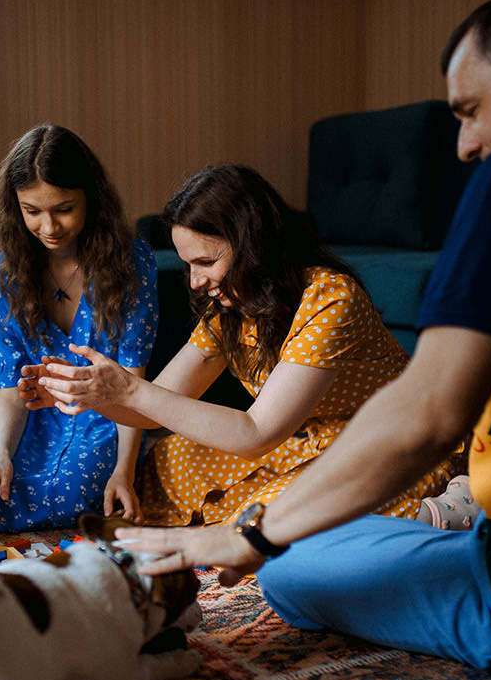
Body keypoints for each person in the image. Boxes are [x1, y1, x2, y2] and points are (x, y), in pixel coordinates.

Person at [110, 0, 491, 680]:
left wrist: (247, 538)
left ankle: (471, 545)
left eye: (469, 110)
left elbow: (428, 414)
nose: (464, 145)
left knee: (288, 573)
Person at [36, 164, 462, 527]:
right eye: (188, 265)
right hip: (300, 439)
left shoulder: (331, 297)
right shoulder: (232, 306)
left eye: (206, 262)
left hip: (380, 442)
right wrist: (86, 391)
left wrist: (129, 388)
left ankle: (442, 510)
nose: (194, 281)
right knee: (168, 461)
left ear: (254, 247)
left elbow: (257, 433)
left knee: (282, 517)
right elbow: (151, 409)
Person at [0, 124, 158, 530]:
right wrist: (1, 456)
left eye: (64, 209)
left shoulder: (132, 265)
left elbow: (134, 382)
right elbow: (11, 395)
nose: (49, 227)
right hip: (37, 416)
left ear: (92, 199)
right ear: (15, 207)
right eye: (32, 211)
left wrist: (124, 472)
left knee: (80, 489)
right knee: (0, 494)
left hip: (108, 412)